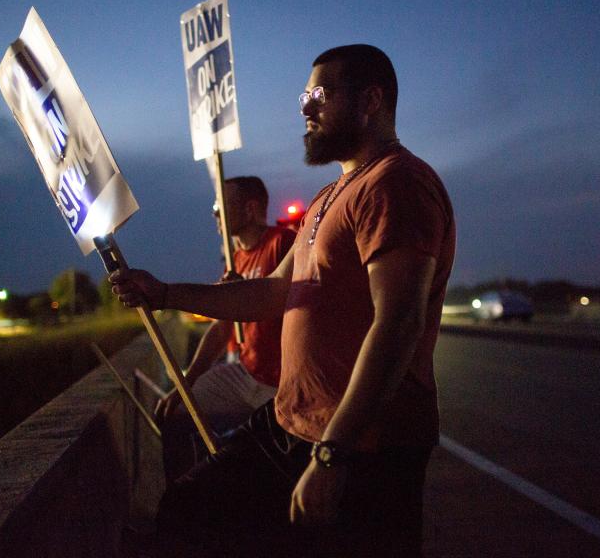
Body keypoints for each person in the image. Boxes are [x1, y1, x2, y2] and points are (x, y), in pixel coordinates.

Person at [111, 44, 455, 557]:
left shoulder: (395, 185)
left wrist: (333, 455)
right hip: (291, 423)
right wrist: (164, 293)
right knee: (188, 511)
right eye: (304, 95)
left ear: (371, 100)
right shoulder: (327, 199)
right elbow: (273, 292)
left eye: (320, 93)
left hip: (366, 446)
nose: (305, 108)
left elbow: (398, 323)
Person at [156, 176, 296, 483]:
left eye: (220, 205)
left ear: (250, 209)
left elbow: (283, 297)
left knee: (274, 465)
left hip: (281, 382)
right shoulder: (237, 259)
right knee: (178, 412)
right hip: (245, 372)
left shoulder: (282, 243)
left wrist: (244, 292)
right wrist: (185, 383)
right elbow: (222, 330)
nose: (214, 214)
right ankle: (184, 501)